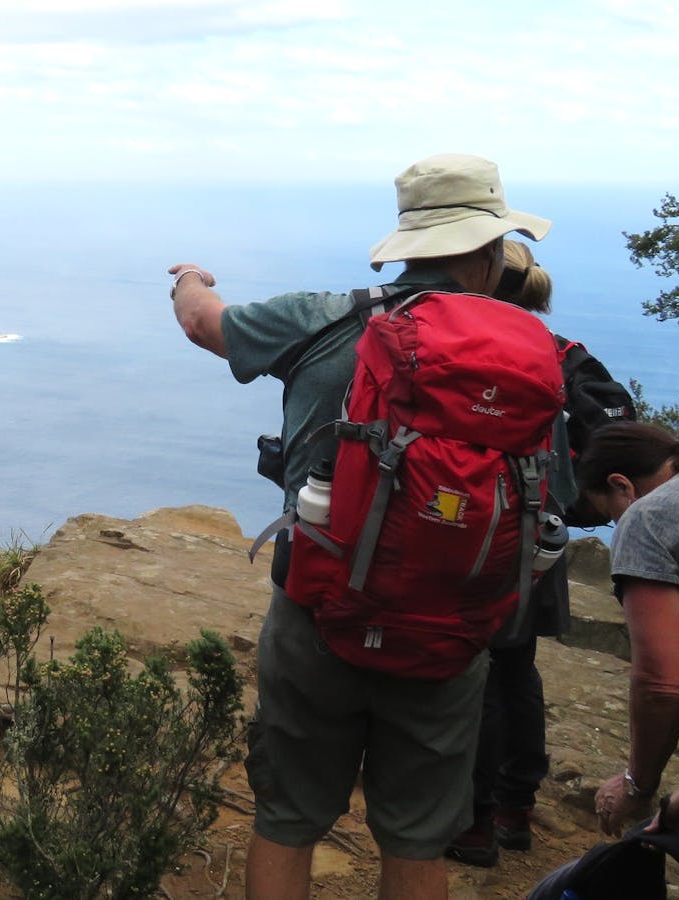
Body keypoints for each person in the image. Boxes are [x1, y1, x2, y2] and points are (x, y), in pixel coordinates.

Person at [169, 153, 551, 900]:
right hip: (449, 632)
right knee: (416, 838)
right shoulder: (528, 362)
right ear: (489, 252)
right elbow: (547, 500)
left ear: (406, 241)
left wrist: (192, 278)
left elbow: (203, 326)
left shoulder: (329, 318)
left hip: (320, 608)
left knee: (287, 817)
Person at [446, 240, 605, 865]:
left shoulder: (487, 350)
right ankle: (515, 809)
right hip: (544, 538)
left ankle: (474, 821)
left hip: (484, 537)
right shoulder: (562, 353)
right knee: (517, 670)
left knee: (478, 674)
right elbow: (613, 433)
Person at [575, 422, 679, 836]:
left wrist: (637, 785)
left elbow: (661, 683)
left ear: (622, 486)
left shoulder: (649, 517)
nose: (618, 524)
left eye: (610, 515)